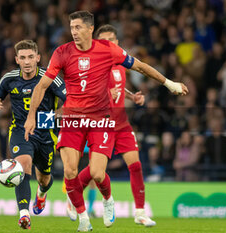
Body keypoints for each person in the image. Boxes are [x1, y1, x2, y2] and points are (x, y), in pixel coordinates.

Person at [24, 11, 188, 232]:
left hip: (101, 120)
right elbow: (42, 86)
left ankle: (108, 199)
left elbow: (139, 66)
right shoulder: (62, 52)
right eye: (72, 27)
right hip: (72, 119)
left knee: (98, 173)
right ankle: (83, 219)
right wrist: (32, 115)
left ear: (90, 29)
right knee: (70, 172)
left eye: (78, 27)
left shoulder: (108, 50)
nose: (74, 32)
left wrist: (169, 83)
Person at [67, 24, 156, 227]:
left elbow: (119, 88)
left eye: (112, 40)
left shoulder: (121, 65)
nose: (109, 43)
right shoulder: (93, 66)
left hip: (122, 123)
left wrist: (133, 97)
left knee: (136, 165)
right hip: (100, 124)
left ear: (117, 42)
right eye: (105, 40)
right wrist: (107, 96)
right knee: (95, 172)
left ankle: (140, 212)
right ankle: (73, 196)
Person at [0, 40, 66, 229]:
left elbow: (71, 101)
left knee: (44, 179)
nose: (27, 61)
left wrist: (50, 117)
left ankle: (41, 193)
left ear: (38, 58)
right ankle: (24, 214)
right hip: (20, 130)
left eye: (31, 57)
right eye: (22, 57)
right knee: (23, 165)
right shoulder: (9, 79)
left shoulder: (50, 78)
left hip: (46, 133)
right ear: (16, 59)